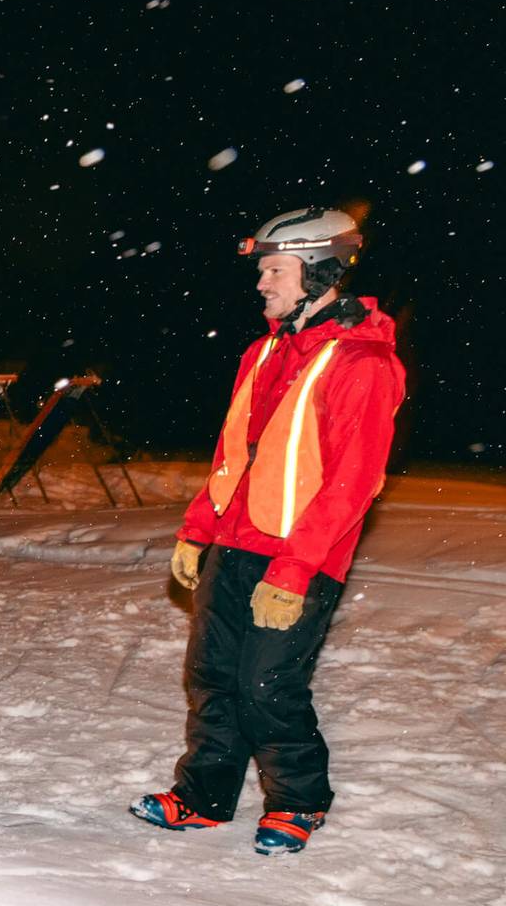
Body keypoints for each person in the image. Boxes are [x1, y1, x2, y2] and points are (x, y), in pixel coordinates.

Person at [131, 207, 405, 856]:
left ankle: (299, 800)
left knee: (267, 687)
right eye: (262, 271)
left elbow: (352, 482)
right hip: (233, 544)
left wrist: (295, 568)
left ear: (319, 272)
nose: (261, 284)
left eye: (275, 270)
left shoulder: (361, 363)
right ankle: (203, 797)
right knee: (212, 677)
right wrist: (197, 530)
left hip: (300, 557)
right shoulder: (263, 353)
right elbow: (235, 455)